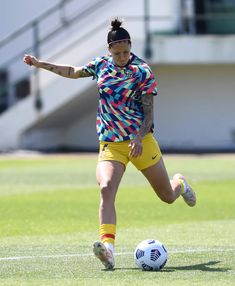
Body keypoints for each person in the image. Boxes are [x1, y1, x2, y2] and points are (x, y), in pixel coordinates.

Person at [23, 18, 196, 270]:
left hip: (141, 141)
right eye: (118, 53)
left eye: (126, 51)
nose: (123, 56)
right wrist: (40, 64)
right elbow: (72, 72)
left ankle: (180, 184)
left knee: (167, 196)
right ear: (109, 51)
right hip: (111, 144)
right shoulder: (101, 65)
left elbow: (149, 114)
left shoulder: (142, 71)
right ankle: (109, 251)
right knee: (106, 188)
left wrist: (137, 138)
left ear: (130, 47)